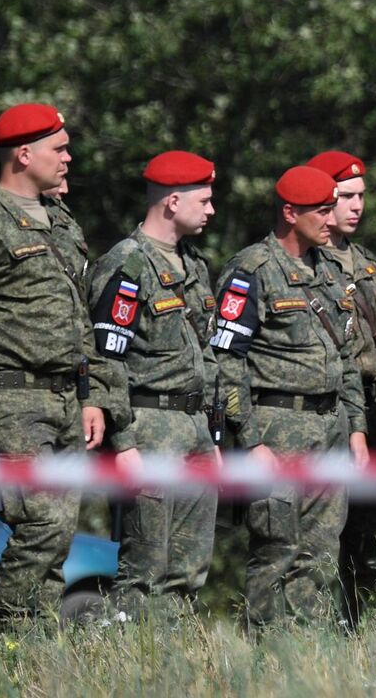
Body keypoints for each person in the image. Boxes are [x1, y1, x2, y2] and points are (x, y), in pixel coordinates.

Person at [0, 103, 119, 628]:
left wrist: (91, 395)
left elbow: (80, 317)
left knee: (59, 534)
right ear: (24, 153)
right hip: (12, 399)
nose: (68, 158)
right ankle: (8, 639)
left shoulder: (61, 223)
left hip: (64, 398)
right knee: (38, 522)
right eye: (59, 149)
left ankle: (37, 648)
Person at [208, 166, 370, 628]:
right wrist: (251, 438)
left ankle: (310, 655)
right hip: (276, 429)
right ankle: (268, 654)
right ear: (289, 212)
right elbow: (226, 360)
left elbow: (347, 357)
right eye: (321, 210)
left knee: (320, 554)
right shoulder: (252, 270)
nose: (330, 218)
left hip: (330, 428)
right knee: (276, 550)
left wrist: (356, 428)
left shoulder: (330, 272)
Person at [88, 151, 221, 619]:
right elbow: (106, 357)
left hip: (194, 427)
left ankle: (175, 659)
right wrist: (122, 443)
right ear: (172, 201)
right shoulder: (127, 264)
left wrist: (213, 433)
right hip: (148, 427)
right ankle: (129, 663)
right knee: (144, 565)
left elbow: (208, 354)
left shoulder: (195, 266)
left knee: (189, 567)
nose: (211, 211)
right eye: (203, 201)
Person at [306, 149, 376, 627]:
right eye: (346, 196)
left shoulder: (368, 265)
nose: (357, 206)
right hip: (325, 410)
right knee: (318, 532)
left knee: (365, 534)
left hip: (370, 410)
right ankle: (313, 631)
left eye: (362, 196)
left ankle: (357, 629)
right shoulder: (306, 261)